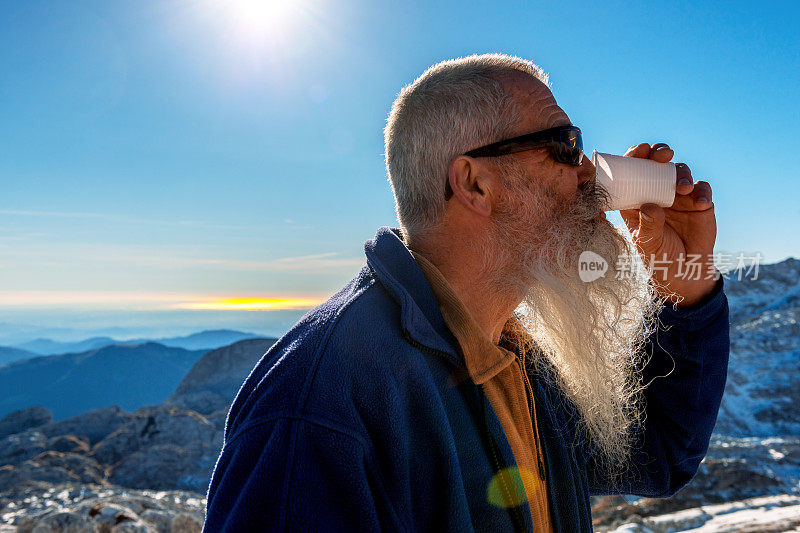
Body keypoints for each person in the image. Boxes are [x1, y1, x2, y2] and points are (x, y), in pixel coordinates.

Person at [203, 54, 729, 532]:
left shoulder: (512, 354)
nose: (590, 171)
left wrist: (684, 287)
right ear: (475, 183)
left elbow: (656, 456)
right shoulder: (320, 406)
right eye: (566, 147)